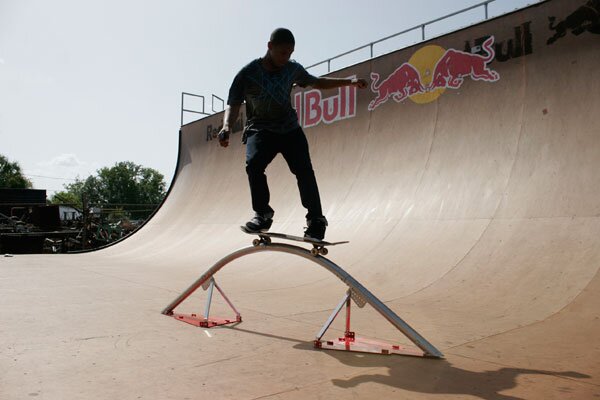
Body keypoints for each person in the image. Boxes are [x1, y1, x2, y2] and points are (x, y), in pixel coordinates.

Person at [218, 28, 367, 240]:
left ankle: (316, 219)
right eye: (282, 53)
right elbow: (233, 103)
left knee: (304, 170)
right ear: (269, 47)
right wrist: (226, 127)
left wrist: (348, 83)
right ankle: (262, 214)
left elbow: (317, 82)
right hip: (261, 129)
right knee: (254, 165)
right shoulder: (248, 73)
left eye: (289, 53)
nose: (285, 58)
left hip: (289, 129)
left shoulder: (292, 69)